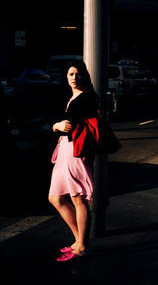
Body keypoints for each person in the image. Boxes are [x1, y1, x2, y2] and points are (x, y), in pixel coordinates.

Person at [48, 60, 97, 262]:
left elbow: (87, 128)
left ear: (84, 76)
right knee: (56, 198)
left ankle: (82, 245)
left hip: (76, 152)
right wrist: (56, 126)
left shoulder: (87, 98)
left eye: (77, 74)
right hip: (66, 150)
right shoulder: (74, 97)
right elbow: (64, 126)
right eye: (70, 74)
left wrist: (57, 126)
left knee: (77, 198)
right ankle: (79, 241)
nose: (74, 78)